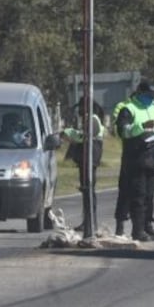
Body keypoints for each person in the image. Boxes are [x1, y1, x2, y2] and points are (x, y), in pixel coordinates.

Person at [116, 79, 154, 241]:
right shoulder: (129, 109)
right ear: (139, 93)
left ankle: (148, 226)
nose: (150, 97)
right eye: (147, 94)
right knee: (138, 195)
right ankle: (137, 230)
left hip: (153, 158)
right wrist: (141, 127)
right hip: (135, 158)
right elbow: (123, 131)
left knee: (150, 195)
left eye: (152, 95)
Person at [61, 98, 106, 232]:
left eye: (80, 107)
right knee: (87, 191)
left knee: (88, 191)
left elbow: (83, 136)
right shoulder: (91, 119)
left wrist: (68, 133)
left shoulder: (92, 119)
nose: (79, 111)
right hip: (87, 158)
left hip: (89, 158)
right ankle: (87, 221)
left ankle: (91, 223)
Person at [111, 95, 132, 237]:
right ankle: (120, 226)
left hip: (149, 157)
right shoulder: (124, 107)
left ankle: (143, 227)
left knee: (145, 196)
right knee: (125, 192)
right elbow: (120, 129)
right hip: (130, 155)